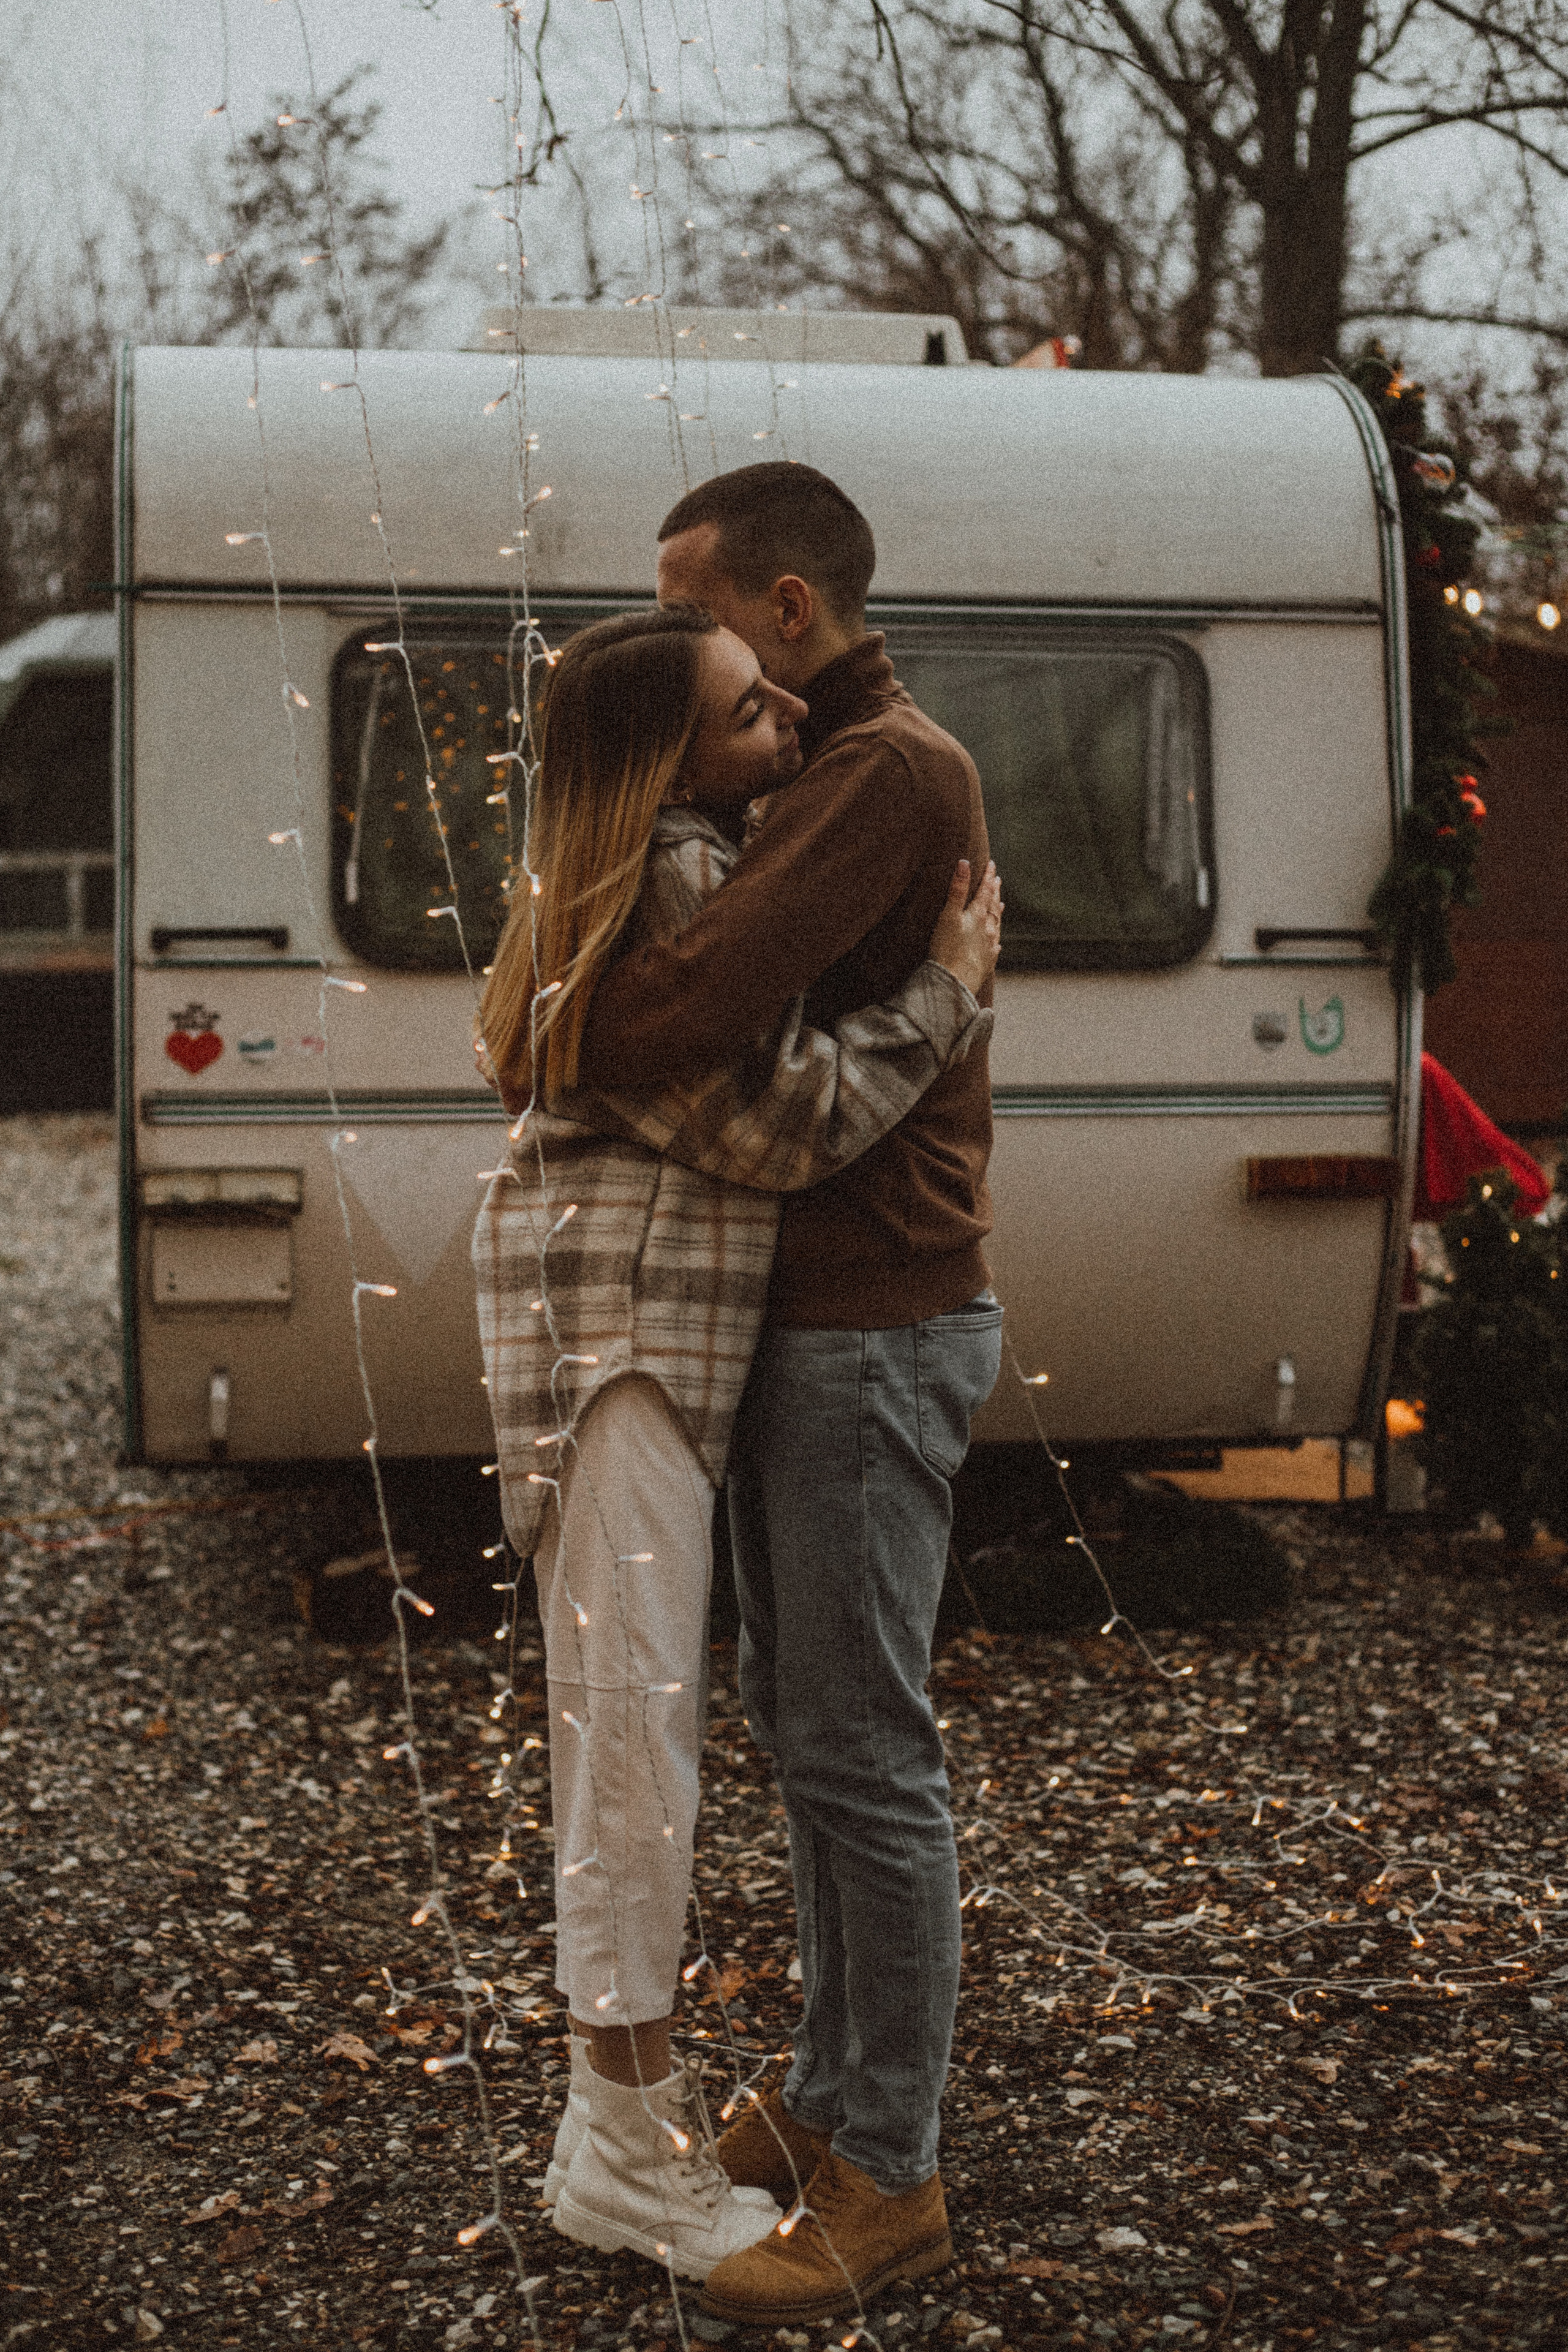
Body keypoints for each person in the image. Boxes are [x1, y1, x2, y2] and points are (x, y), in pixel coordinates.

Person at [473, 602, 1001, 2282]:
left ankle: (612, 2134)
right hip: (627, 1346)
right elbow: (782, 1128)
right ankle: (624, 2154)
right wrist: (944, 993)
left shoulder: (633, 870)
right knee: (632, 1753)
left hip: (613, 1337)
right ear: (667, 765)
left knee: (633, 1737)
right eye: (745, 710)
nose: (788, 716)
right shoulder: (675, 882)